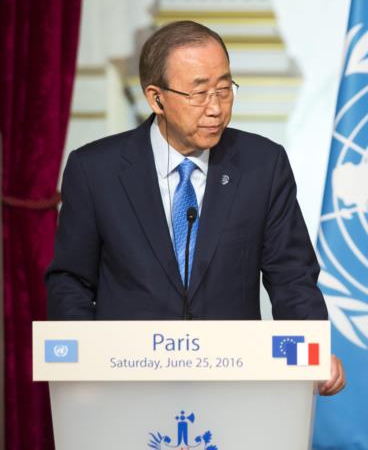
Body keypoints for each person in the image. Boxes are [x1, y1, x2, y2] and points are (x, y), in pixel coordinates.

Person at [45, 21, 345, 396]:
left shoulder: (262, 165)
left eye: (224, 89)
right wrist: (84, 369)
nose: (216, 108)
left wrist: (313, 352)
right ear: (156, 99)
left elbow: (291, 276)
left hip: (233, 384)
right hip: (126, 387)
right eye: (199, 93)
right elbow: (71, 281)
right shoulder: (95, 170)